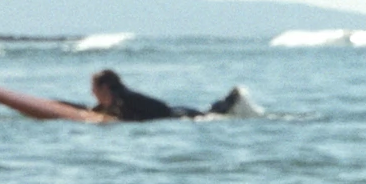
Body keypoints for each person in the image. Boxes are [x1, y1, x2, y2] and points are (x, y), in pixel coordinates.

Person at [78, 68, 255, 121]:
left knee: (210, 114)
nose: (92, 91)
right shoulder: (119, 98)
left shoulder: (123, 99)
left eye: (94, 87)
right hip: (172, 113)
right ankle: (230, 100)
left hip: (176, 115)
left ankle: (232, 98)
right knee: (208, 112)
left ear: (106, 87)